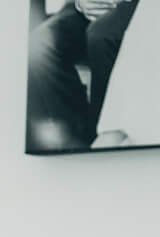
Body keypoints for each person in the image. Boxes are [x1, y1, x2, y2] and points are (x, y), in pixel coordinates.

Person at [26, 0, 141, 152]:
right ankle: (71, 145)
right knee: (40, 44)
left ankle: (100, 139)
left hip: (143, 9)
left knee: (100, 35)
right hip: (85, 9)